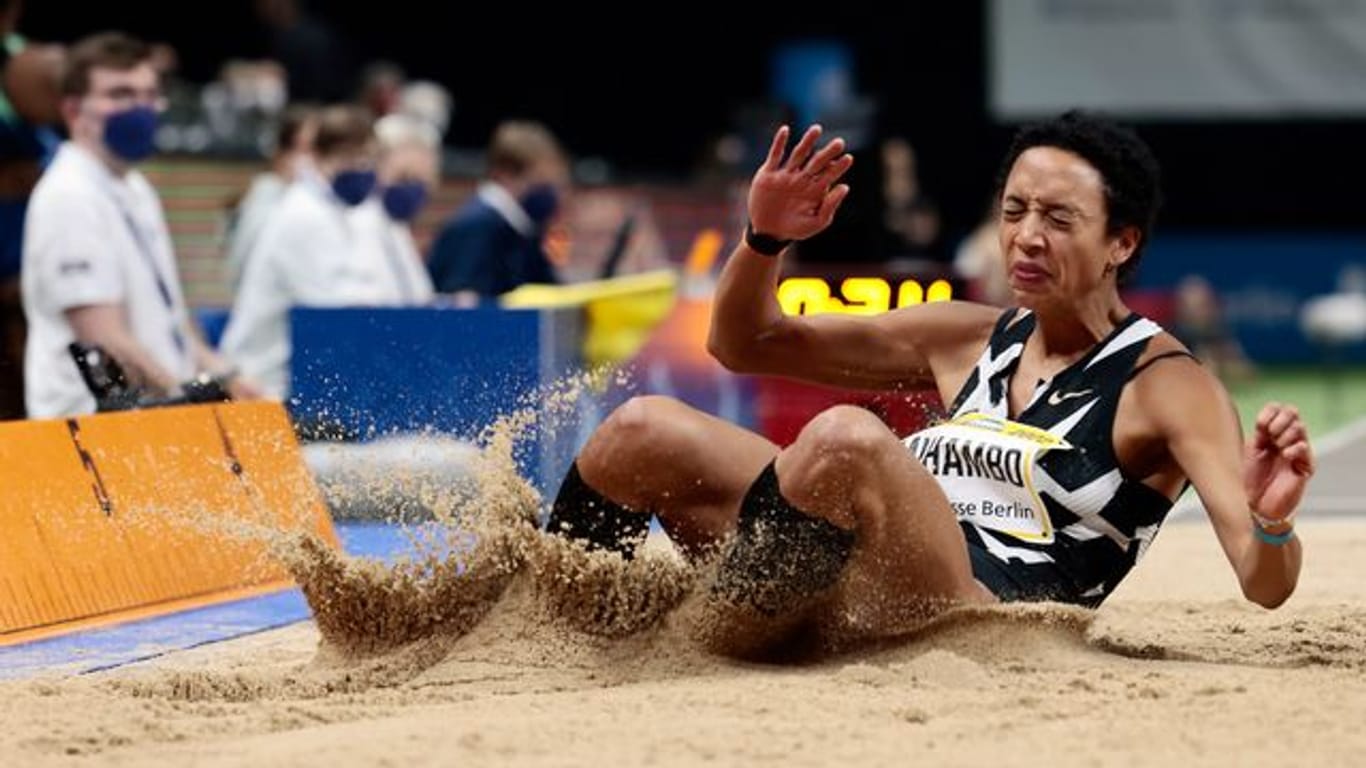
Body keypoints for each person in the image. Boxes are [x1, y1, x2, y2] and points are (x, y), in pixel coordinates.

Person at [543, 113, 1313, 652]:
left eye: (1058, 217)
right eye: (1014, 211)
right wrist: (765, 239)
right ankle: (549, 627)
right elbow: (742, 343)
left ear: (1121, 242)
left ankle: (717, 637)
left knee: (849, 440)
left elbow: (1262, 582)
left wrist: (1272, 522)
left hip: (975, 618)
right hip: (840, 573)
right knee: (640, 431)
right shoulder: (966, 335)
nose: (1026, 237)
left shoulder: (1167, 382)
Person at [21, 32, 259, 418]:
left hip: (153, 415)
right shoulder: (69, 196)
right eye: (120, 94)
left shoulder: (135, 188)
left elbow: (171, 323)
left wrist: (228, 377)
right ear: (73, 110)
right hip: (93, 431)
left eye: (149, 95)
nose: (141, 108)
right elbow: (104, 339)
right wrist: (186, 402)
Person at [221, 103, 387, 400]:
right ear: (319, 156)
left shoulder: (334, 211)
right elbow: (334, 309)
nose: (361, 169)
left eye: (368, 159)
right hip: (260, 385)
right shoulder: (303, 213)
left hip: (293, 378)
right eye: (350, 158)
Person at [426, 120, 567, 303]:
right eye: (539, 181)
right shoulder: (476, 227)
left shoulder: (522, 229)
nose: (547, 192)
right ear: (505, 174)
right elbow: (462, 307)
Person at [224, 103, 317, 290]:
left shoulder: (319, 202)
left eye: (317, 150)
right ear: (281, 153)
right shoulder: (264, 198)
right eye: (303, 148)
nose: (311, 158)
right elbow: (242, 272)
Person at [348, 113, 437, 306]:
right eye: (404, 177)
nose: (411, 189)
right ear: (376, 165)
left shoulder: (397, 227)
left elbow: (418, 297)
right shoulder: (358, 222)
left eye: (420, 181)